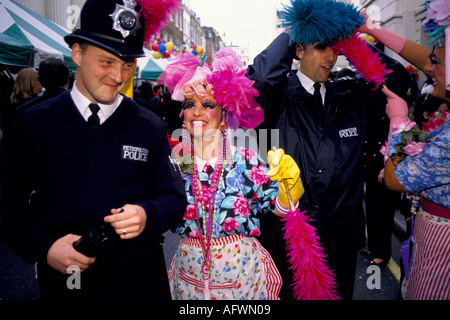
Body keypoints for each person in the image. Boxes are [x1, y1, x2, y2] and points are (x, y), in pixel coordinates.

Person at [0, 0, 185, 300]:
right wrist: (43, 247)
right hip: (69, 283)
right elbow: (8, 204)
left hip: (140, 281)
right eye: (107, 61)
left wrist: (147, 214)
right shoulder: (34, 122)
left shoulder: (148, 124)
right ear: (77, 53)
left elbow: (174, 197)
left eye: (128, 65)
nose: (118, 76)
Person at [246, 0, 411, 300]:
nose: (331, 56)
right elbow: (261, 76)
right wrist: (303, 23)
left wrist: (353, 40)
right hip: (289, 235)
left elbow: (397, 80)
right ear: (298, 51)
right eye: (322, 46)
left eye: (335, 48)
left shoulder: (351, 97)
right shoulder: (277, 98)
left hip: (342, 234)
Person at [158, 49, 306, 300]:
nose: (197, 112)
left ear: (224, 116)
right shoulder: (174, 164)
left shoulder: (246, 161)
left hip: (243, 283)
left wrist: (290, 185)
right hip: (189, 282)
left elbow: (281, 209)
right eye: (190, 104)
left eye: (207, 104)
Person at [367, 0, 449, 300]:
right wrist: (369, 28)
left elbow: (393, 179)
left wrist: (399, 122)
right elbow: (424, 60)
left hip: (441, 239)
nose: (429, 68)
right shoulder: (444, 116)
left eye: (437, 63)